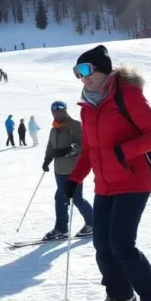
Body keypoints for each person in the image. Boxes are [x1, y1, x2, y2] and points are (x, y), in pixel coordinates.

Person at [66, 45, 151, 301]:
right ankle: (121, 296)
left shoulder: (128, 95)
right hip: (105, 185)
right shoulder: (87, 106)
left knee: (122, 245)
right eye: (77, 73)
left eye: (86, 70)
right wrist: (74, 180)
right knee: (102, 245)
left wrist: (126, 151)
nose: (82, 77)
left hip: (133, 181)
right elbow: (89, 149)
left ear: (102, 69)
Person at [42, 101, 92, 240]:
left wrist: (69, 150)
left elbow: (83, 144)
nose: (57, 113)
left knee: (72, 198)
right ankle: (65, 228)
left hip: (73, 169)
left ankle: (64, 228)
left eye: (60, 110)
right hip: (59, 170)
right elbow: (51, 147)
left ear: (65, 110)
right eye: (54, 111)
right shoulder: (54, 129)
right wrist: (47, 160)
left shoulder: (75, 125)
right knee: (65, 198)